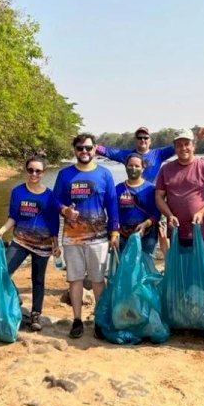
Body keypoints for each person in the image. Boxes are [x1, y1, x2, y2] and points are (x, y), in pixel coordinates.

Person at [53, 133, 120, 338]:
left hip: (99, 237)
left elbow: (112, 204)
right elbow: (54, 201)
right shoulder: (65, 175)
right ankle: (77, 320)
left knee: (99, 280)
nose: (84, 152)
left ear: (94, 149)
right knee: (75, 280)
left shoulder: (105, 174)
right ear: (74, 150)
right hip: (72, 238)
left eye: (88, 148)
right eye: (80, 148)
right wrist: (65, 211)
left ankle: (99, 320)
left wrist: (114, 231)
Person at [0, 155, 61, 332]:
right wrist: (2, 230)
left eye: (38, 171)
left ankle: (35, 314)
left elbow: (54, 221)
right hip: (20, 240)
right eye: (30, 170)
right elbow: (13, 217)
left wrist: (56, 243)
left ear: (43, 172)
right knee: (2, 271)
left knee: (38, 280)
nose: (34, 174)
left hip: (43, 244)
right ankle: (16, 297)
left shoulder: (50, 195)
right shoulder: (18, 191)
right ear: (26, 170)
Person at [155, 128, 204, 270]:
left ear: (193, 145)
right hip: (176, 233)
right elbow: (159, 197)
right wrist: (169, 215)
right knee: (180, 275)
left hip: (201, 233)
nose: (183, 148)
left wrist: (202, 213)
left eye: (187, 143)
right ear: (174, 147)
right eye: (179, 145)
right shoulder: (166, 169)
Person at [96, 125, 204, 182]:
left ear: (150, 140)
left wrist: (197, 138)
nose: (143, 140)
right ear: (135, 140)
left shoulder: (159, 154)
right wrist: (88, 146)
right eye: (139, 137)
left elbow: (182, 146)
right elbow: (106, 151)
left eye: (145, 137)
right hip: (133, 193)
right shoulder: (126, 155)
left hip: (153, 194)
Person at [115, 153, 160, 256]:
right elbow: (114, 213)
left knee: (145, 267)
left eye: (137, 166)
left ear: (143, 168)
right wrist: (113, 232)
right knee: (125, 266)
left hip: (147, 235)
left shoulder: (150, 189)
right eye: (130, 165)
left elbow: (156, 214)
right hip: (124, 236)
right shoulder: (118, 189)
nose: (133, 168)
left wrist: (146, 224)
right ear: (125, 167)